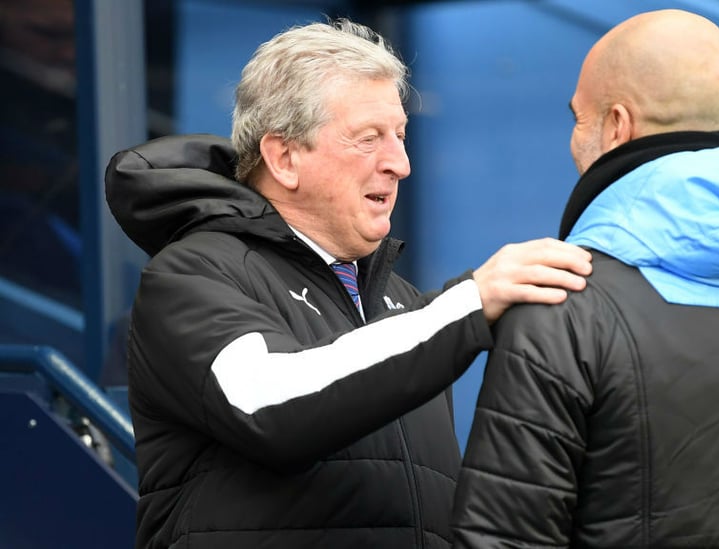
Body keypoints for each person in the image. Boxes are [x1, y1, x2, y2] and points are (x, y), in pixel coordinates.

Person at [104, 18, 592, 549]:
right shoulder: (192, 273)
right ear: (284, 157)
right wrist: (469, 304)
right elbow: (271, 407)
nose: (401, 164)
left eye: (401, 135)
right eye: (369, 139)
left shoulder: (405, 304)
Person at [451, 9, 719, 549]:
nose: (573, 140)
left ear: (618, 126)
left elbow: (501, 539)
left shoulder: (562, 312)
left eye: (579, 119)